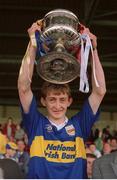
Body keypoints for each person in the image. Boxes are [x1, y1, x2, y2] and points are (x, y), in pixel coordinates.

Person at [18, 20, 106, 179]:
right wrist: (32, 43)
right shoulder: (35, 123)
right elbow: (23, 88)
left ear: (69, 101)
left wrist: (93, 49)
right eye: (52, 99)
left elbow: (100, 91)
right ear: (44, 102)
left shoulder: (80, 124)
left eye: (62, 99)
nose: (57, 105)